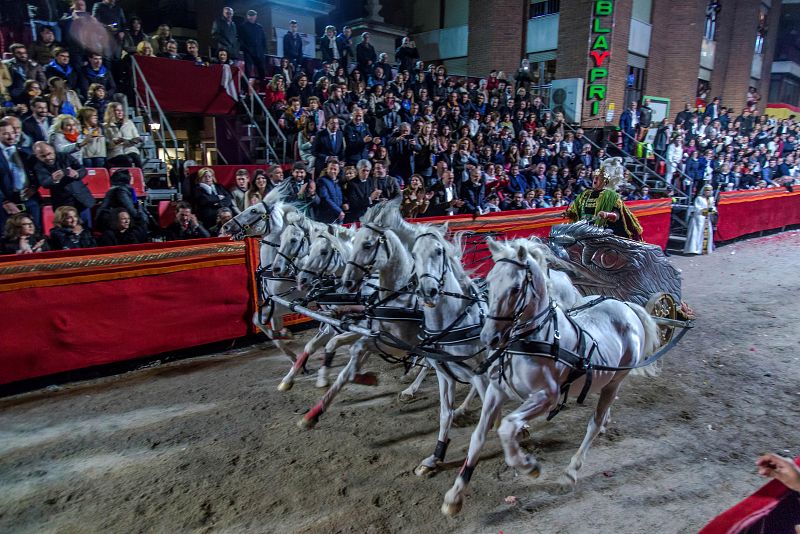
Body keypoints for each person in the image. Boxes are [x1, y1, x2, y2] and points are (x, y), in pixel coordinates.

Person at [564, 159, 643, 240]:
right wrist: (570, 214)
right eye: (595, 177)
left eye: (599, 178)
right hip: (582, 227)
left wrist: (607, 214)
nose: (595, 180)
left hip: (600, 229)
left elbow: (617, 215)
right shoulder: (584, 194)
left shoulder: (611, 196)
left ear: (605, 182)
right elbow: (577, 211)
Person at [34, 141, 94, 225]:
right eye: (43, 156)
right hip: (63, 204)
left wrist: (77, 174)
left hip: (82, 199)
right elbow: (44, 183)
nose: (47, 157)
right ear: (37, 156)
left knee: (87, 228)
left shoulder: (64, 156)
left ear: (53, 149)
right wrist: (53, 178)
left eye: (49, 154)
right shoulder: (38, 166)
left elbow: (82, 169)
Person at [0, 119, 41, 231]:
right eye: (5, 134)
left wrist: (34, 187)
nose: (11, 136)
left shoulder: (25, 152)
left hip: (29, 199)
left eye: (12, 133)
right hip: (5, 203)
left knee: (35, 232)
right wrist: (5, 201)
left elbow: (38, 172)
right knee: (9, 236)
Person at [104, 102, 142, 167]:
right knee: (127, 160)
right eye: (117, 110)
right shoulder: (106, 126)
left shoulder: (129, 123)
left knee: (136, 158)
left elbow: (136, 136)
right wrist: (115, 142)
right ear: (111, 112)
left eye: (121, 110)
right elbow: (107, 144)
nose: (120, 112)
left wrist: (135, 140)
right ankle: (128, 176)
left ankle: (141, 176)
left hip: (130, 149)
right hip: (115, 152)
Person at [683, 184, 716, 255]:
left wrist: (712, 210)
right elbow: (697, 208)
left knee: (707, 233)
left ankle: (704, 249)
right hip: (698, 219)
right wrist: (706, 210)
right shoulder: (699, 198)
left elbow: (713, 207)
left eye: (709, 190)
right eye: (706, 190)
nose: (708, 192)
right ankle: (694, 249)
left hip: (707, 219)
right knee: (697, 233)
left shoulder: (711, 199)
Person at [315, 157, 345, 223]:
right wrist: (339, 211)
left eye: (335, 169)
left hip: (338, 217)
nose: (332, 171)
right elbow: (325, 199)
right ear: (327, 169)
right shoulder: (321, 180)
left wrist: (346, 203)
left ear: (338, 170)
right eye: (330, 168)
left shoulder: (339, 182)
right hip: (326, 217)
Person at [240, 10, 266, 81]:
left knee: (262, 70)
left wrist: (263, 51)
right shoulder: (243, 26)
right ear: (247, 16)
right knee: (248, 71)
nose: (251, 17)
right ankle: (245, 89)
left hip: (259, 52)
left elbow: (263, 40)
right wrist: (246, 49)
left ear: (256, 16)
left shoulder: (259, 27)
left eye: (253, 15)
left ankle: (262, 87)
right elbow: (241, 40)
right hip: (248, 52)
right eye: (250, 15)